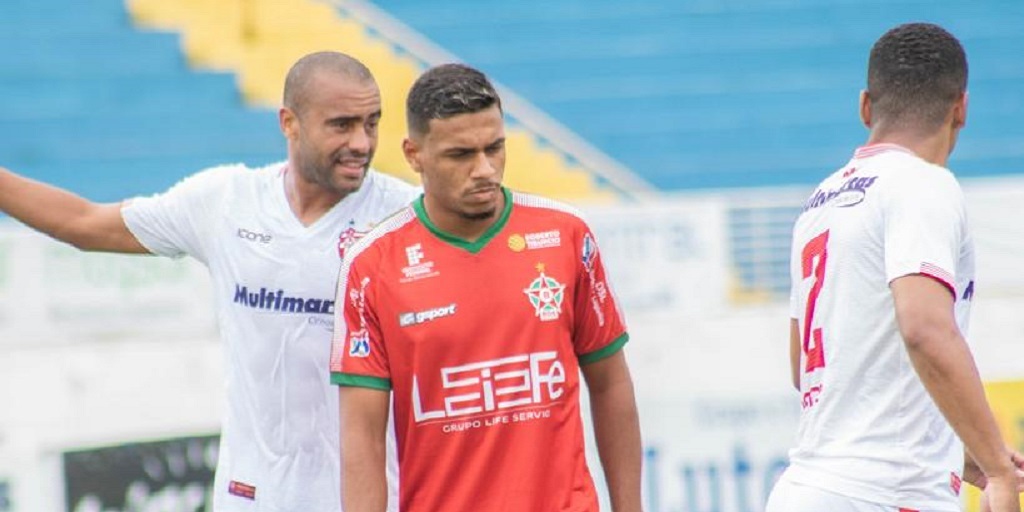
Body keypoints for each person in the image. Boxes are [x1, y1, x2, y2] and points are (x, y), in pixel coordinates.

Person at [0, 51, 415, 511]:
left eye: (372, 123)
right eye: (342, 124)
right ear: (289, 122)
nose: (362, 141)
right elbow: (82, 222)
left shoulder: (405, 217)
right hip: (251, 499)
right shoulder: (226, 202)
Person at [330, 63, 643, 512]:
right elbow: (361, 437)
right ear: (413, 154)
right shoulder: (372, 266)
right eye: (461, 155)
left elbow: (611, 385)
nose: (484, 169)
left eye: (494, 148)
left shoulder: (566, 235)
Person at [766, 23, 1024, 512]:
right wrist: (995, 468)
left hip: (805, 489)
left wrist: (953, 448)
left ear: (865, 106)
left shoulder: (818, 203)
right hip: (883, 495)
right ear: (961, 109)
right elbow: (925, 328)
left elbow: (806, 367)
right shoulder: (924, 185)